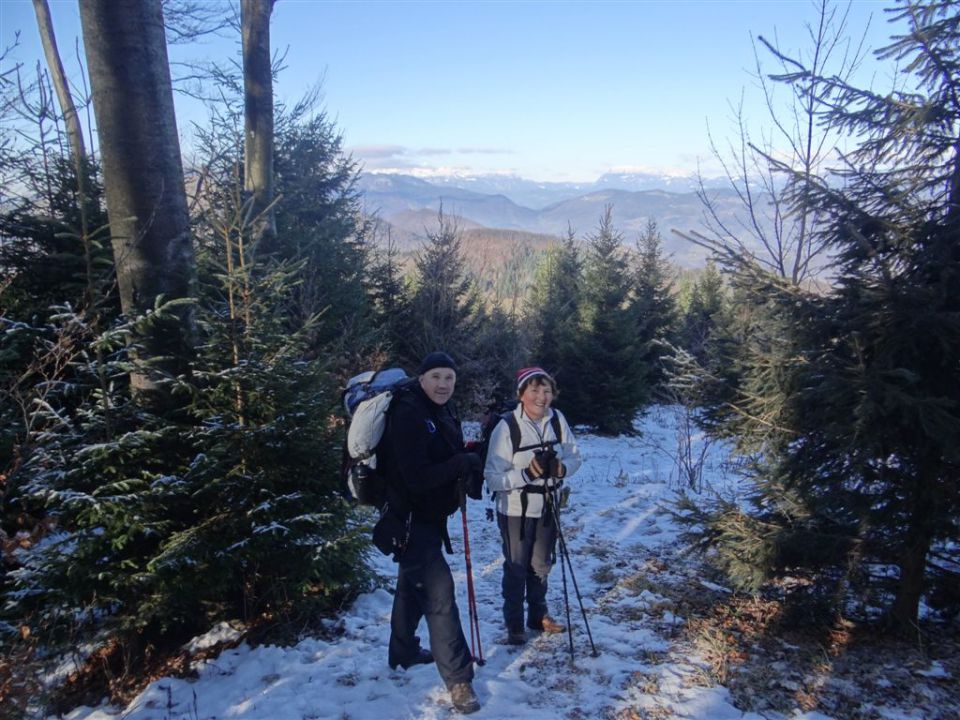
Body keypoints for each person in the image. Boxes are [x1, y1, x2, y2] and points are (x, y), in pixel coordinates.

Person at [379, 351, 482, 714]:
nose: (443, 384)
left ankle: (403, 651)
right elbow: (417, 477)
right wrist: (461, 462)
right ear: (421, 378)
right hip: (408, 519)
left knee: (413, 584)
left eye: (449, 378)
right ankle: (459, 680)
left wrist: (471, 454)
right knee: (439, 594)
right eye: (436, 376)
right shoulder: (409, 413)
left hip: (430, 518)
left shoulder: (441, 410)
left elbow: (447, 450)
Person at [483, 366, 582, 645]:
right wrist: (527, 474)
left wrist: (562, 469)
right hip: (515, 508)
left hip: (548, 504)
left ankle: (538, 616)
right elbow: (492, 478)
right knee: (516, 566)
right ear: (521, 394)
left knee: (541, 564)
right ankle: (514, 624)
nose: (542, 396)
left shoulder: (557, 420)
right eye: (534, 390)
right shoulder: (507, 427)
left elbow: (575, 456)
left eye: (547, 390)